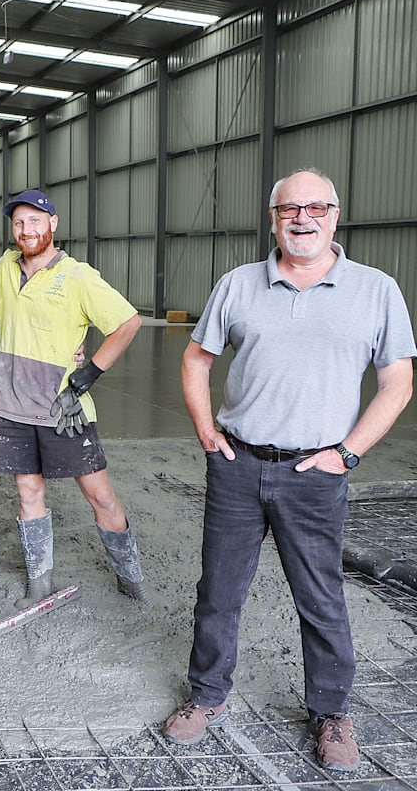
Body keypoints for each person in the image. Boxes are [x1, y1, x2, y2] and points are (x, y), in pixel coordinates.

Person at [163, 169, 415, 772]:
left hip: (317, 473)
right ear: (273, 218)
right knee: (219, 593)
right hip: (238, 465)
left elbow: (398, 382)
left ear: (335, 215)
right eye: (289, 209)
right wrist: (205, 429)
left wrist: (348, 452)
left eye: (317, 208)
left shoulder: (376, 290)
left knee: (321, 596)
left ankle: (331, 712)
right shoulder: (239, 285)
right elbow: (196, 360)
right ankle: (207, 697)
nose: (303, 219)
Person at [0, 189, 148, 604]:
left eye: (35, 221)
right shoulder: (4, 268)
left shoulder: (77, 276)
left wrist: (87, 373)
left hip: (64, 409)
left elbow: (128, 322)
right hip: (13, 407)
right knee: (28, 492)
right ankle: (39, 582)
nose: (26, 230)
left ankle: (131, 578)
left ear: (53, 224)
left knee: (99, 494)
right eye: (19, 223)